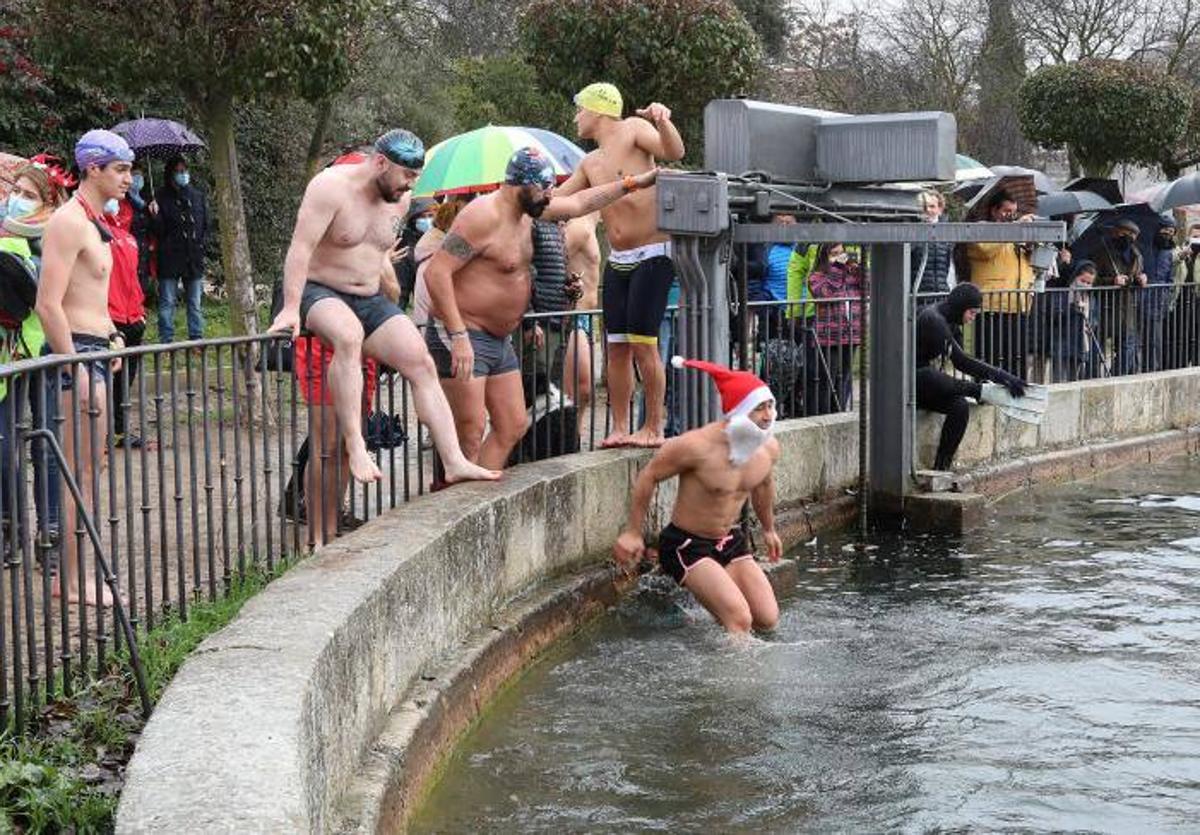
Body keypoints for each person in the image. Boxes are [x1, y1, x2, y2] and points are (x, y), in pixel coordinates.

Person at [270, 129, 500, 510]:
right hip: (321, 290)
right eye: (407, 175)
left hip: (367, 296)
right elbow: (300, 248)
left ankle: (455, 461)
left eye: (416, 176)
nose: (411, 185)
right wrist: (292, 307)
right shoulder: (330, 187)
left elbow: (378, 252)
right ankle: (357, 447)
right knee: (348, 336)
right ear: (380, 162)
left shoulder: (399, 199)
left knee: (419, 359)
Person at [424, 147, 658, 469]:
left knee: (513, 424)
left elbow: (580, 203)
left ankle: (481, 492)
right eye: (545, 189)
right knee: (470, 430)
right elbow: (437, 272)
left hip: (498, 338)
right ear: (521, 184)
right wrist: (459, 335)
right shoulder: (482, 216)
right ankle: (452, 505)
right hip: (466, 331)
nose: (550, 197)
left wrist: (635, 183)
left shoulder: (528, 211)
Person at [555, 82, 686, 448]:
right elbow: (557, 201)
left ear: (598, 110)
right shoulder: (590, 162)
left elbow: (674, 151)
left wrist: (662, 120)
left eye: (579, 109)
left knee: (644, 344)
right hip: (620, 260)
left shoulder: (633, 129)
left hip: (653, 253)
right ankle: (619, 426)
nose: (576, 117)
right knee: (616, 347)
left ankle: (655, 426)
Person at [35, 129, 135, 606]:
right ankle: (71, 583)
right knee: (79, 477)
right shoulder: (68, 223)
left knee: (89, 473)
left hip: (94, 350)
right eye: (120, 169)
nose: (128, 179)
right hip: (76, 356)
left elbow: (93, 299)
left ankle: (75, 578)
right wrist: (74, 367)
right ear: (93, 168)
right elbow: (48, 305)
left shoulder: (95, 224)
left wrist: (114, 335)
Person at [613, 357, 782, 634]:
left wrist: (769, 529)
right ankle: (735, 676)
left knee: (767, 618)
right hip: (686, 544)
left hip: (728, 540)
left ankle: (716, 610)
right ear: (737, 412)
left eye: (770, 406)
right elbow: (649, 475)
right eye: (759, 409)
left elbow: (763, 485)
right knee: (740, 620)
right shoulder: (696, 446)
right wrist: (632, 532)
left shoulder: (768, 448)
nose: (768, 416)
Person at [0, 161, 69, 550]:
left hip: (42, 351)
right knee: (3, 443)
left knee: (46, 443)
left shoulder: (54, 237)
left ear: (46, 201)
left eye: (29, 195)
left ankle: (53, 529)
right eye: (16, 192)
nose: (18, 201)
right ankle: (10, 527)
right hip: (5, 354)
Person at [915, 283, 1028, 471]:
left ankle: (941, 469)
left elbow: (964, 361)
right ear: (961, 308)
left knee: (959, 406)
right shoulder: (933, 319)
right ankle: (981, 391)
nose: (972, 318)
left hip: (924, 386)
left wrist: (1001, 378)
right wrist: (1002, 376)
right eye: (972, 313)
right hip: (908, 382)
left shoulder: (951, 320)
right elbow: (961, 361)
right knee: (931, 376)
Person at [964, 190, 1034, 378]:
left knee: (1016, 358)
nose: (1010, 216)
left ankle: (1015, 392)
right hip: (991, 304)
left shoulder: (1015, 232)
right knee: (989, 356)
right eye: (1006, 211)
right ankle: (985, 393)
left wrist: (1030, 246)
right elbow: (984, 249)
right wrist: (1015, 228)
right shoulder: (981, 227)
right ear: (994, 211)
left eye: (1014, 212)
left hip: (1018, 304)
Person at [150, 155, 209, 342]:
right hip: (170, 258)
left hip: (193, 257)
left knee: (195, 302)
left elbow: (205, 224)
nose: (182, 175)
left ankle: (196, 337)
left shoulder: (197, 196)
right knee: (167, 301)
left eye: (185, 171)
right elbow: (158, 232)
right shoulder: (160, 197)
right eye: (178, 172)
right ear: (170, 173)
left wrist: (201, 246)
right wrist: (155, 216)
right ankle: (166, 339)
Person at [108, 190, 147, 448]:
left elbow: (132, 280)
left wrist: (140, 313)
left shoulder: (129, 238)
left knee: (124, 382)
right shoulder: (94, 232)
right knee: (105, 382)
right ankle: (100, 433)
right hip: (109, 320)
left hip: (132, 318)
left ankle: (120, 430)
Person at [806, 242, 863, 414]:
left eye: (841, 253)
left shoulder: (851, 275)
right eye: (833, 254)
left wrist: (859, 270)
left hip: (850, 334)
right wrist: (838, 267)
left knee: (844, 377)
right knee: (826, 378)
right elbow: (824, 293)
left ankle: (839, 411)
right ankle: (823, 413)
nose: (838, 257)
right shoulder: (817, 276)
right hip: (828, 336)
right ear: (824, 256)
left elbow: (869, 288)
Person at [1092, 218, 1147, 376]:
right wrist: (1112, 281)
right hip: (1105, 308)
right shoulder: (1101, 252)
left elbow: (1136, 275)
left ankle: (1116, 376)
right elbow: (1091, 280)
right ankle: (1093, 378)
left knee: (1128, 346)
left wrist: (1141, 279)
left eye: (1133, 235)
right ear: (1115, 232)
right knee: (1098, 347)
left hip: (1127, 308)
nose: (1129, 237)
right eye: (1125, 233)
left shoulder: (1137, 255)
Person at [562, 212, 601, 411]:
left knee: (581, 392)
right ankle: (568, 439)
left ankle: (573, 439)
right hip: (572, 317)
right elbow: (547, 260)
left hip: (585, 316)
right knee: (579, 389)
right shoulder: (579, 225)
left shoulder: (590, 223)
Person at [1048, 260, 1100, 382]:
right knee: (1059, 379)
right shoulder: (1063, 294)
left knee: (1074, 378)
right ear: (1075, 277)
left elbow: (1094, 317)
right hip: (1062, 342)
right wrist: (1073, 308)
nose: (1085, 285)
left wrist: (1092, 323)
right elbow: (1054, 315)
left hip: (1080, 342)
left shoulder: (1090, 298)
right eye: (1083, 281)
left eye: (1089, 283)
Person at [1141, 215, 1179, 373]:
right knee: (1138, 339)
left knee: (1156, 339)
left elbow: (1170, 278)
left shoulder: (1169, 252)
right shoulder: (1144, 248)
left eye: (1171, 232)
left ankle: (1154, 369)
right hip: (1141, 299)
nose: (1167, 234)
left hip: (1158, 302)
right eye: (1164, 230)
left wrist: (1167, 295)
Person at [910, 190, 952, 303]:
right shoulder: (912, 230)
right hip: (918, 295)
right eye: (924, 207)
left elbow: (948, 266)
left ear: (940, 209)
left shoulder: (947, 233)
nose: (928, 210)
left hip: (941, 293)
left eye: (932, 206)